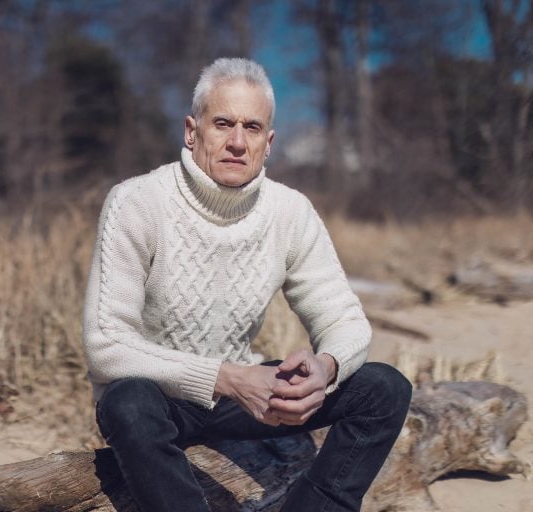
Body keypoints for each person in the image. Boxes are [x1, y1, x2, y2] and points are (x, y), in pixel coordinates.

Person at [81, 57, 411, 512]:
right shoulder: (137, 202)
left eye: (252, 128)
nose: (237, 141)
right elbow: (106, 345)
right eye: (222, 124)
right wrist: (229, 378)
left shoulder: (290, 211)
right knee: (128, 402)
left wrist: (326, 367)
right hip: (164, 401)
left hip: (247, 398)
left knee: (385, 388)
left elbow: (344, 317)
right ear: (192, 132)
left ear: (269, 142)